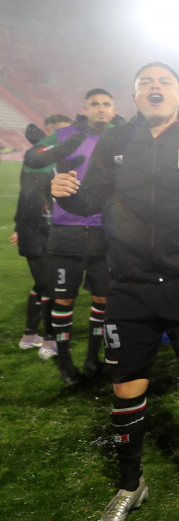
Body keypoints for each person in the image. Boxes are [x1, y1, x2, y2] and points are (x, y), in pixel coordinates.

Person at [51, 62, 179, 521]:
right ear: (135, 96)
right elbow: (90, 199)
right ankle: (130, 486)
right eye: (146, 83)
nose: (155, 88)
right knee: (126, 389)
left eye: (165, 82)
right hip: (129, 285)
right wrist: (65, 194)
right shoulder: (116, 140)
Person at [24, 89, 122, 384]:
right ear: (85, 108)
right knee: (64, 300)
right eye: (95, 104)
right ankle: (65, 364)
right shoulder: (67, 134)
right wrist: (54, 151)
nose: (101, 109)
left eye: (106, 104)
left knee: (103, 299)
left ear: (113, 109)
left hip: (105, 230)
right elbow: (32, 158)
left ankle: (93, 358)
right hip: (67, 230)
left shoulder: (121, 136)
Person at [11, 117, 69, 356]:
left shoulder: (52, 158)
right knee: (51, 285)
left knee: (43, 283)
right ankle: (49, 340)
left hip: (38, 230)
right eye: (60, 131)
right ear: (49, 132)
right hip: (41, 231)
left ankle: (29, 335)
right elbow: (34, 197)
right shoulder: (40, 159)